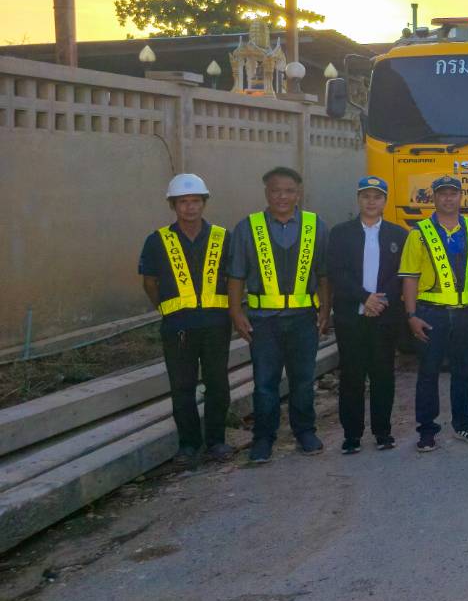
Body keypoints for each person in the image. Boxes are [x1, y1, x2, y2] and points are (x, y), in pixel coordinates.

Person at [227, 166, 331, 465]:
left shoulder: (315, 225)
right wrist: (236, 311)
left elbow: (324, 274)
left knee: (303, 380)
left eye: (289, 191)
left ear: (298, 194)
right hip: (263, 320)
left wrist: (325, 309)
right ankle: (263, 438)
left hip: (303, 318)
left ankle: (305, 432)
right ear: (266, 193)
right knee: (265, 382)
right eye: (276, 191)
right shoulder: (248, 228)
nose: (282, 197)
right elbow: (236, 275)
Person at [139, 173, 233, 464]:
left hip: (216, 325)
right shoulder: (157, 241)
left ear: (204, 203)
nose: (190, 207)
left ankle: (216, 442)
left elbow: (234, 279)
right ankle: (188, 445)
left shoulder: (222, 237)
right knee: (182, 387)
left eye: (195, 201)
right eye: (183, 202)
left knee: (218, 384)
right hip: (177, 327)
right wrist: (168, 309)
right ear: (173, 205)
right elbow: (149, 282)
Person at [400, 176, 468, 452]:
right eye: (443, 194)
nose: (448, 198)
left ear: (461, 197)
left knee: (463, 372)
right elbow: (409, 277)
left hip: (466, 314)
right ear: (434, 198)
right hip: (431, 314)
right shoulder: (419, 232)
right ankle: (427, 431)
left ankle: (463, 424)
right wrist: (411, 315)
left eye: (453, 193)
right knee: (428, 373)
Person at [326, 175, 407, 454]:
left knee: (383, 375)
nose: (371, 202)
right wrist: (364, 297)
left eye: (377, 197)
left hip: (385, 317)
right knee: (352, 376)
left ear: (385, 201)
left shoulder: (398, 235)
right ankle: (352, 435)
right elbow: (337, 272)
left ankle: (383, 432)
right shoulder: (340, 233)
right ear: (358, 199)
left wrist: (380, 301)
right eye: (366, 196)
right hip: (351, 317)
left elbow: (401, 275)